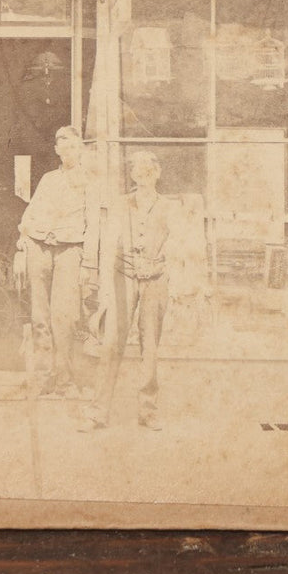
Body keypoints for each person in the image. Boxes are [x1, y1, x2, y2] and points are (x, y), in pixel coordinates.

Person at [80, 150, 173, 432]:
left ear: (158, 174)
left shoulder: (168, 207)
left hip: (155, 279)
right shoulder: (121, 205)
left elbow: (176, 245)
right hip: (123, 277)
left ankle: (148, 411)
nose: (143, 175)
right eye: (138, 170)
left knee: (150, 347)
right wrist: (106, 290)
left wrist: (160, 266)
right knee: (111, 344)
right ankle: (97, 412)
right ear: (132, 175)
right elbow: (109, 244)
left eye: (148, 170)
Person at [17, 126, 99, 397]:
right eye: (63, 148)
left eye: (73, 147)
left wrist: (88, 263)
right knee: (40, 317)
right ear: (56, 151)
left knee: (65, 318)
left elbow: (94, 225)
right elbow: (30, 214)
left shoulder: (89, 181)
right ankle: (43, 378)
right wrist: (23, 241)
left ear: (80, 149)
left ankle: (65, 380)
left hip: (69, 251)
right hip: (40, 249)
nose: (68, 153)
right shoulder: (48, 179)